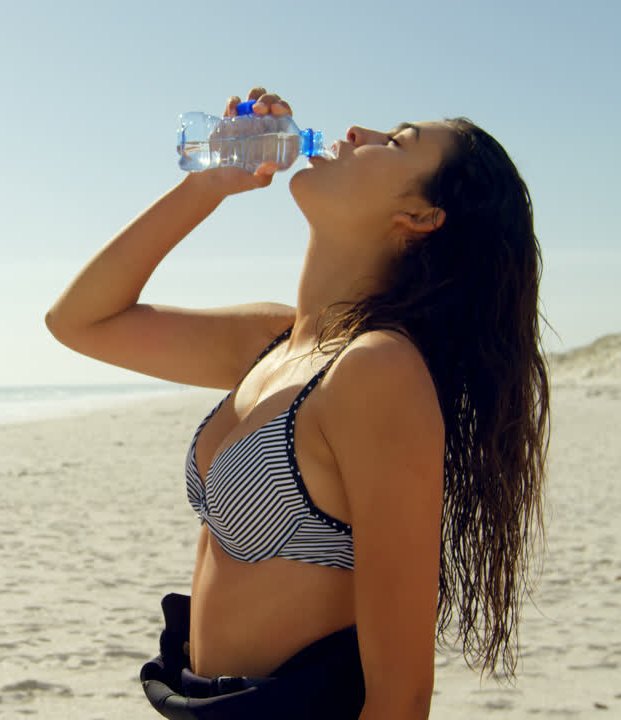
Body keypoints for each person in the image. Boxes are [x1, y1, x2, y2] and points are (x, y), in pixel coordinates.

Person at [45, 87, 549, 719]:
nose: (359, 130)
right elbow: (79, 322)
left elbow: (402, 695)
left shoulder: (377, 371)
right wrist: (208, 185)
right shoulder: (273, 343)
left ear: (420, 216)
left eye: (394, 143)